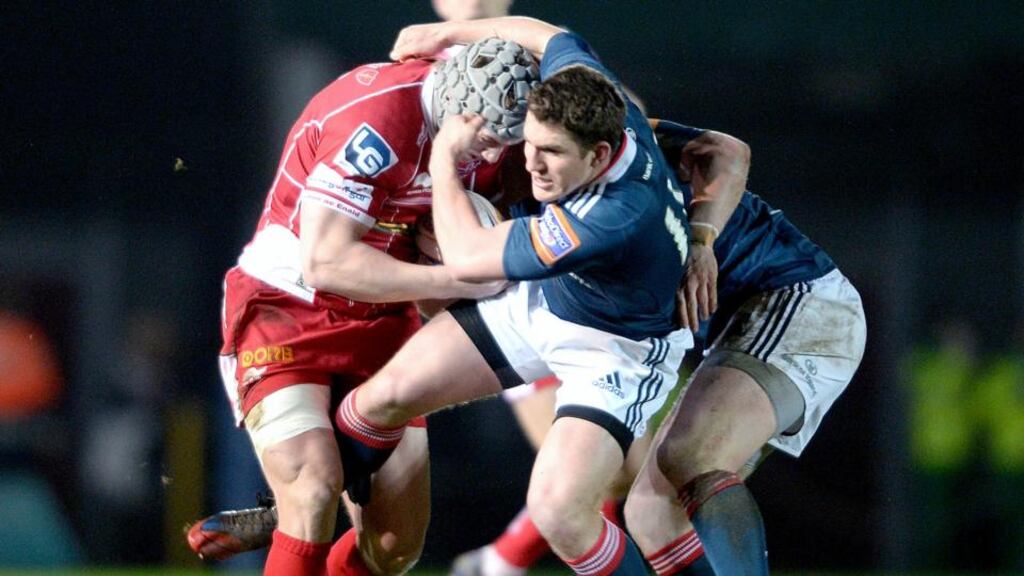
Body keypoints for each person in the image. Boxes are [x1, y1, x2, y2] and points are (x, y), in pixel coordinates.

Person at [331, 16, 730, 575]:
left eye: (553, 155)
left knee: (560, 511)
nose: (533, 164)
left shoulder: (614, 215)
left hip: (613, 350)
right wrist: (445, 37)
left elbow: (469, 260)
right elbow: (545, 34)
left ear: (599, 155)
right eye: (531, 143)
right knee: (369, 406)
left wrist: (446, 162)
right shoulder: (592, 97)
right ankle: (309, 526)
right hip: (547, 302)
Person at [191, 36, 541, 576]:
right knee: (312, 489)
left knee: (396, 546)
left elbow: (437, 289)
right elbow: (326, 263)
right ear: (460, 108)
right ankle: (290, 508)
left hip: (384, 316)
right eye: (490, 139)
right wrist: (460, 274)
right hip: (287, 308)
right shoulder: (380, 120)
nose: (495, 156)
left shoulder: (504, 134)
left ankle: (276, 515)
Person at [621, 120, 867, 574]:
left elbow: (728, 151)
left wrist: (702, 241)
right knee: (652, 511)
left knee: (694, 456)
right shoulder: (541, 193)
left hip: (798, 298)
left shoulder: (609, 141)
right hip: (749, 318)